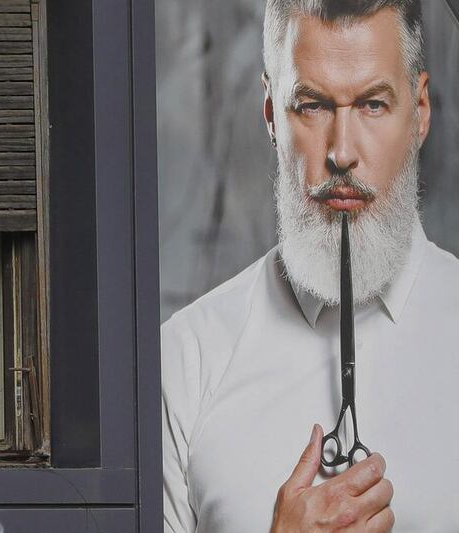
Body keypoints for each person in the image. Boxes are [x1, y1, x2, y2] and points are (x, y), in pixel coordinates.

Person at [162, 1, 459, 531]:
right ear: (273, 115)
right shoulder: (186, 362)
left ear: (420, 111)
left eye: (372, 104)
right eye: (313, 106)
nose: (341, 153)